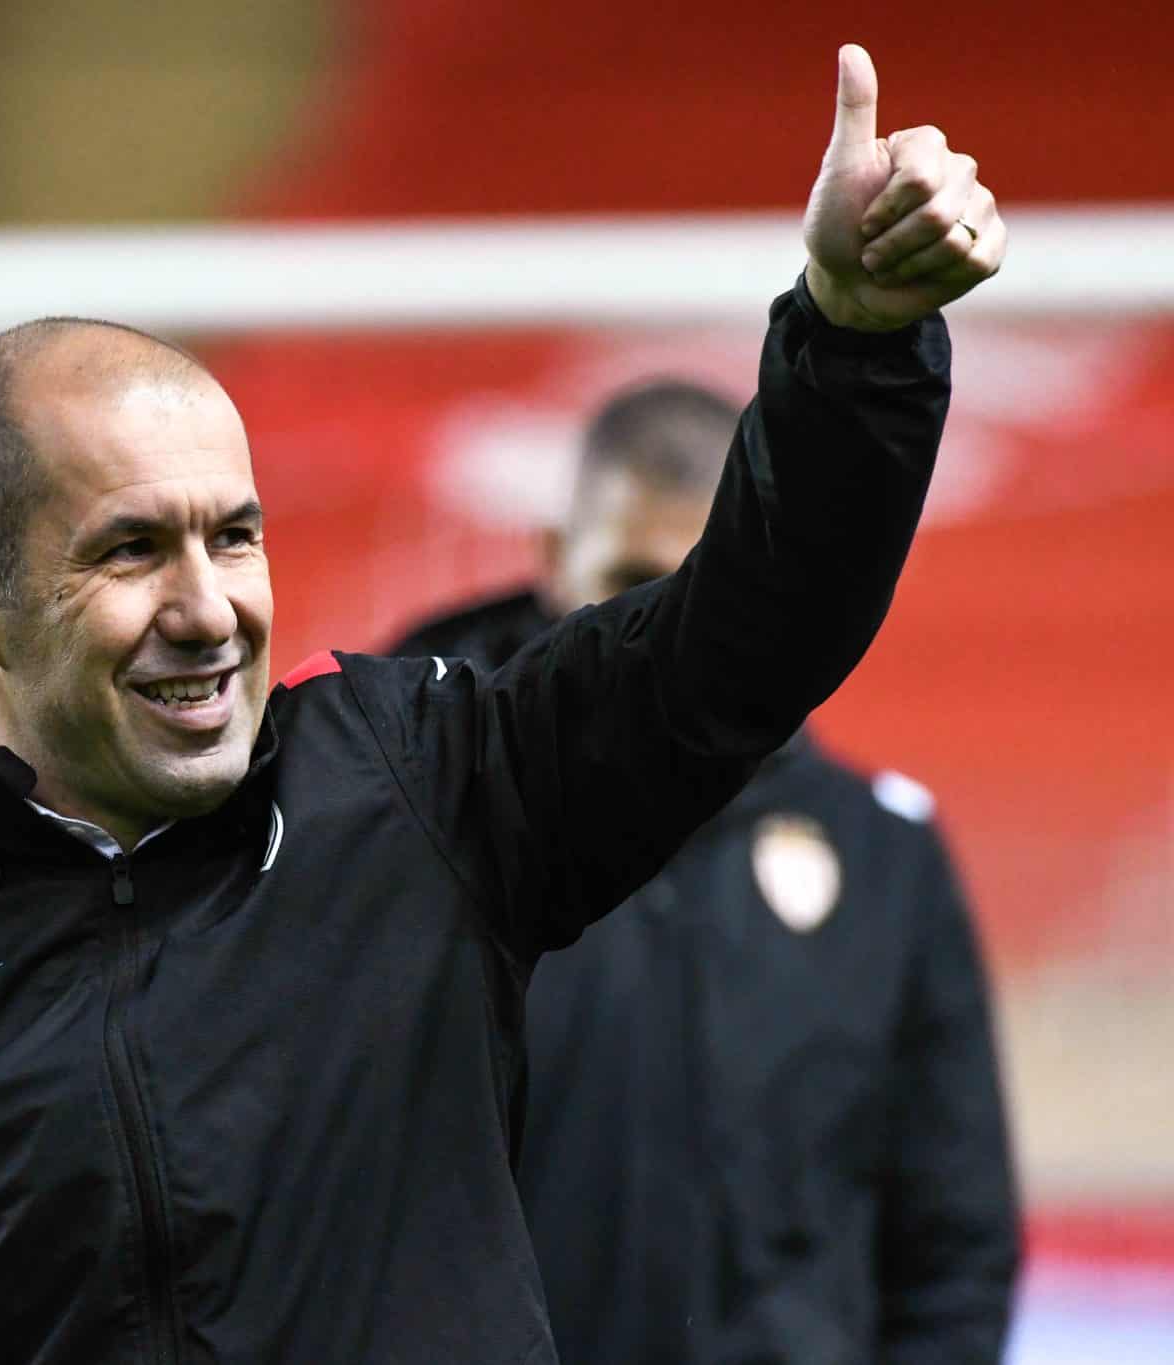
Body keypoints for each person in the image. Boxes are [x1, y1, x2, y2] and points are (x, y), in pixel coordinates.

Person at [0, 46, 1006, 1364]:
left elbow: (747, 636)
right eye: (130, 551)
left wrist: (853, 342)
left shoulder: (421, 790)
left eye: (235, 536)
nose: (209, 608)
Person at [391, 377, 1020, 1363]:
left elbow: (954, 1245)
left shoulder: (882, 856)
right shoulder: (410, 813)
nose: (669, 631)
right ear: (553, 559)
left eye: (705, 586)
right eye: (631, 579)